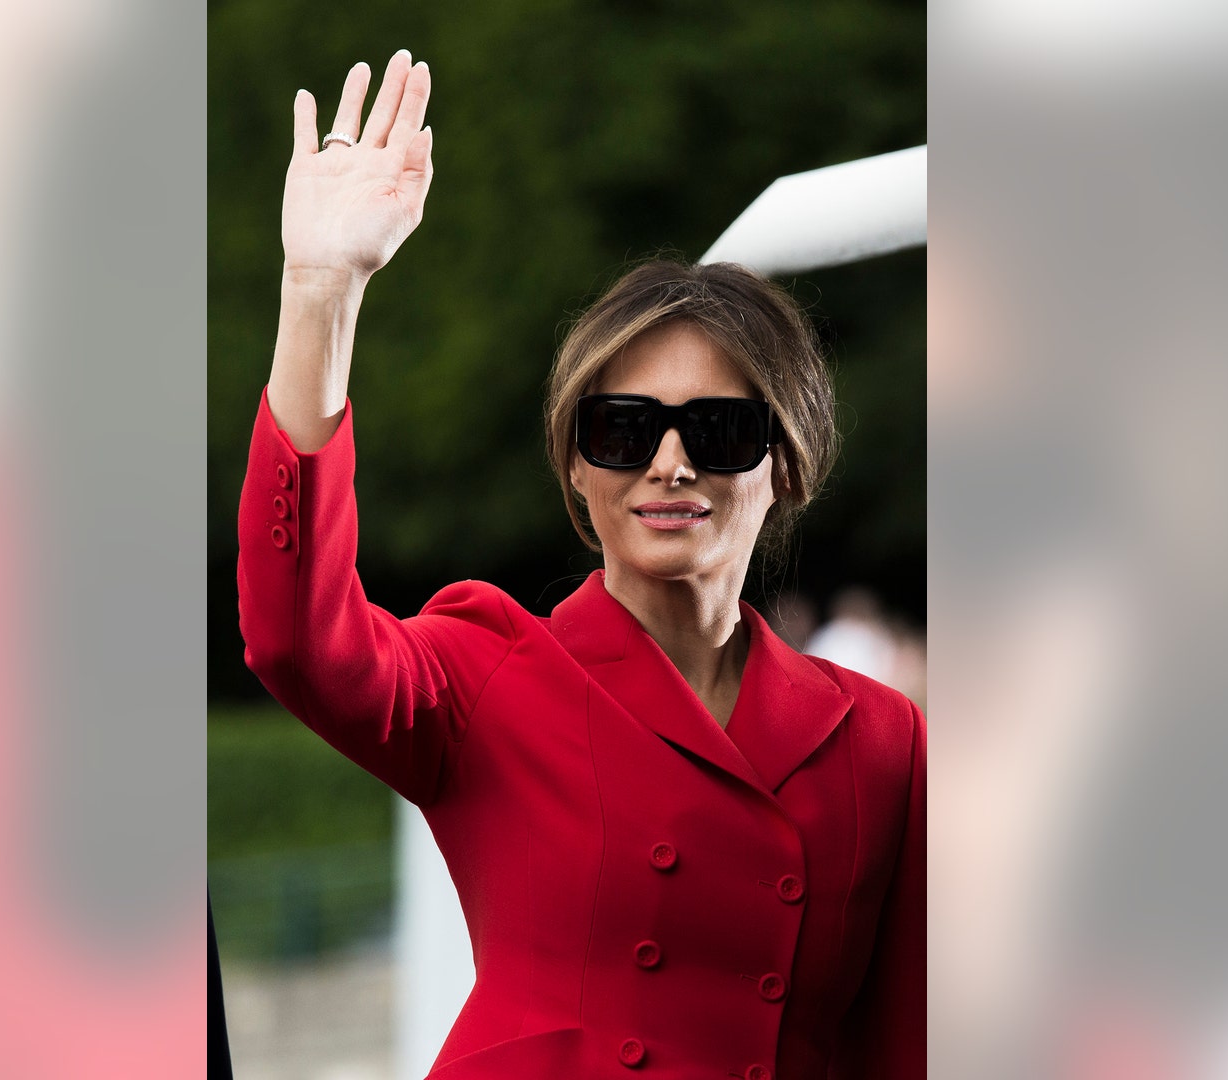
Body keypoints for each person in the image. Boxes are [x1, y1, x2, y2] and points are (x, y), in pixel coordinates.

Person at [237, 49, 924, 1079]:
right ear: (576, 465)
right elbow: (297, 639)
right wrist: (320, 291)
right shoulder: (489, 675)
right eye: (623, 429)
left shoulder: (881, 741)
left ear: (785, 464)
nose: (669, 462)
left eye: (719, 431)